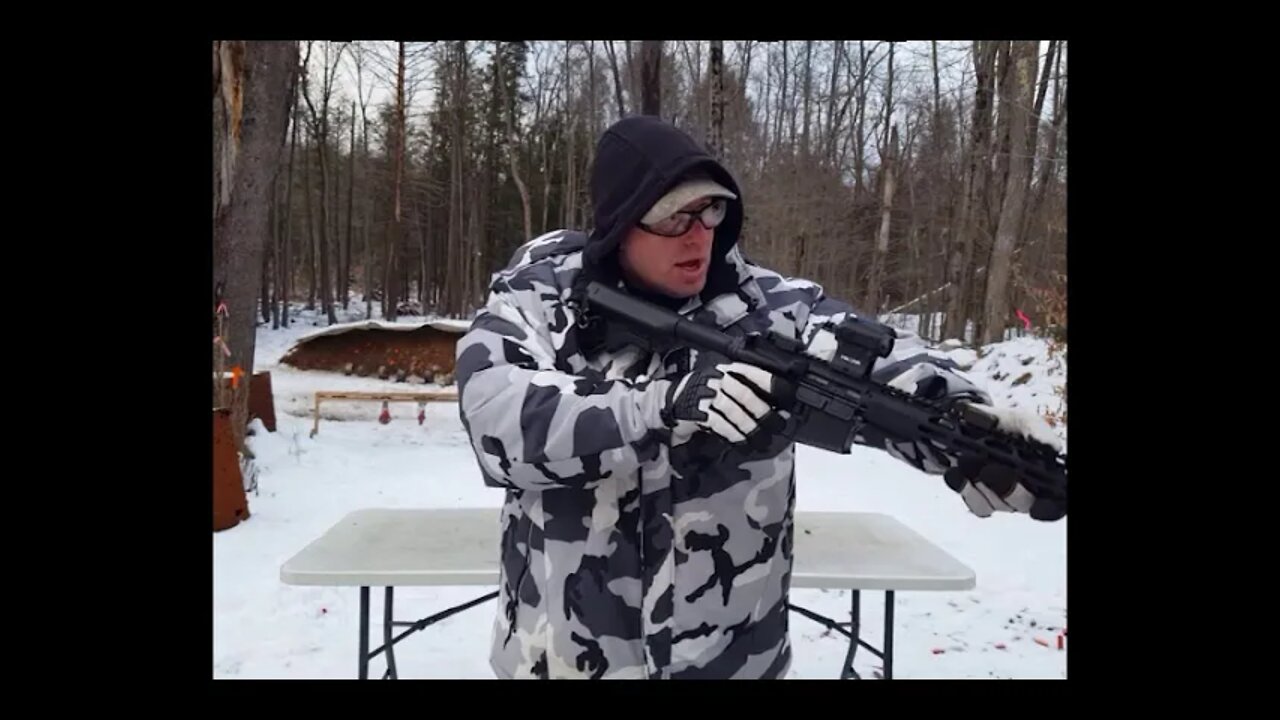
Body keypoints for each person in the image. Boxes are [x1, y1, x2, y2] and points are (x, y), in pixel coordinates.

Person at [454, 115, 1064, 680]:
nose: (698, 236)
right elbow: (497, 418)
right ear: (619, 223)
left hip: (732, 660)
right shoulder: (539, 301)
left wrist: (968, 430)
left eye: (711, 212)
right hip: (562, 659)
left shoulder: (772, 310)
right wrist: (663, 406)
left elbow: (885, 369)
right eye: (673, 217)